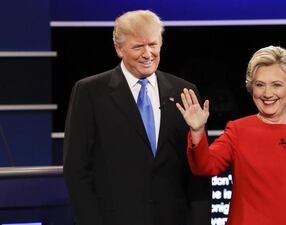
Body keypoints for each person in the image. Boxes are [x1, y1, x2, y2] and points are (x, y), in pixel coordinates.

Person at [63, 10, 211, 225]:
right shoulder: (90, 92)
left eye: (153, 44)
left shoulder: (184, 92)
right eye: (138, 47)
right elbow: (76, 168)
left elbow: (198, 171)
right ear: (119, 48)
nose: (148, 54)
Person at [176, 46, 286, 225]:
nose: (267, 94)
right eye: (260, 85)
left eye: (277, 85)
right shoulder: (238, 131)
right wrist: (197, 131)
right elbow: (204, 166)